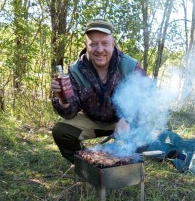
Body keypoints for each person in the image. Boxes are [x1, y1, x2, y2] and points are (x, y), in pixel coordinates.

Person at [51, 18, 146, 163]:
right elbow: (70, 114)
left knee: (146, 136)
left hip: (123, 123)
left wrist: (128, 118)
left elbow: (147, 98)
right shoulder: (76, 70)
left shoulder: (130, 66)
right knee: (61, 132)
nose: (100, 50)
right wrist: (63, 101)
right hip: (92, 121)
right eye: (93, 44)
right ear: (86, 45)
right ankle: (89, 164)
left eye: (105, 44)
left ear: (113, 44)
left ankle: (127, 164)